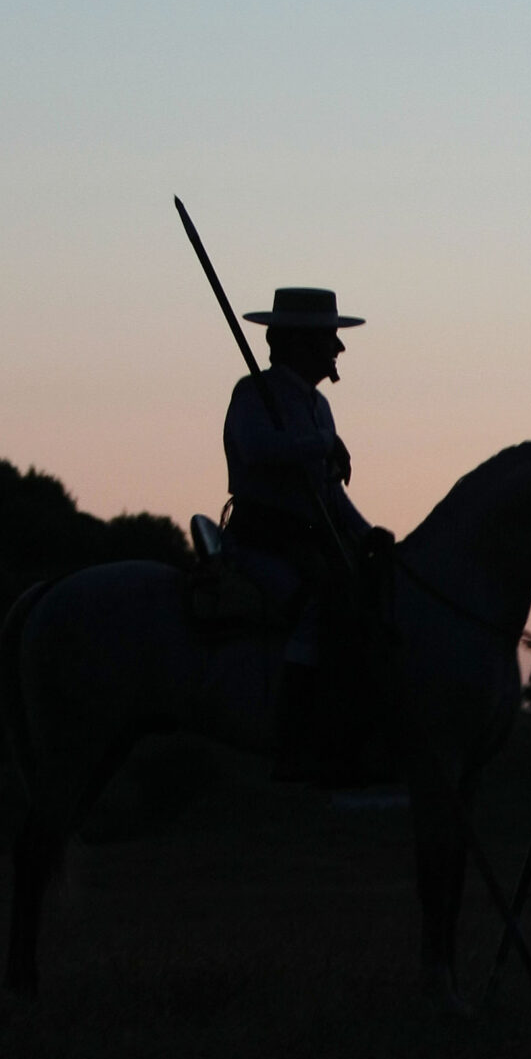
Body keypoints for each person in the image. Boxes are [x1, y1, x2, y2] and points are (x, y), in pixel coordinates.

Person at [221, 286, 395, 786]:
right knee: (315, 608)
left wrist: (367, 534)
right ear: (298, 343)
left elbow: (328, 493)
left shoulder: (319, 407)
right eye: (328, 339)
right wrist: (321, 445)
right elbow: (257, 450)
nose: (338, 350)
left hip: (312, 538)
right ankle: (294, 741)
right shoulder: (254, 393)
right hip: (261, 539)